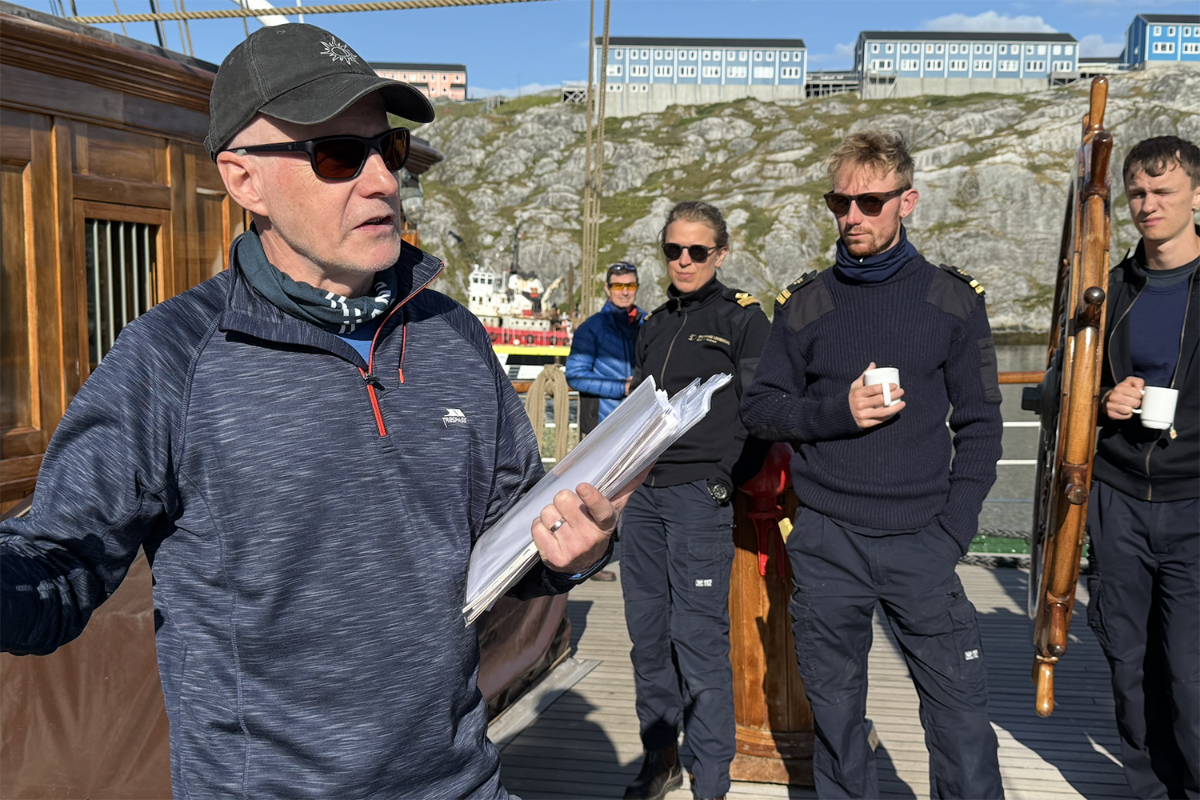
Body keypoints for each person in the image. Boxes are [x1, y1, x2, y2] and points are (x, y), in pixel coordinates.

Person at [0, 24, 641, 800]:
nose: (379, 181)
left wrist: (577, 551)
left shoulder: (452, 336)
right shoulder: (170, 359)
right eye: (337, 155)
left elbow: (521, 536)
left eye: (389, 150)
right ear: (243, 180)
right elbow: (55, 570)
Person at [740, 131, 1005, 800]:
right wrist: (837, 413)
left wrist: (953, 530)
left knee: (962, 721)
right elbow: (762, 408)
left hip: (924, 539)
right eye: (840, 201)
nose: (852, 216)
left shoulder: (953, 301)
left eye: (870, 201)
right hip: (829, 540)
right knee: (835, 721)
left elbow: (980, 424)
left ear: (906, 201)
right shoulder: (805, 304)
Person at [621, 201, 770, 800]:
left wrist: (722, 480)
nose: (683, 261)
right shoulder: (652, 325)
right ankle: (662, 759)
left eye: (697, 251)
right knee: (647, 636)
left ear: (720, 254)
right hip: (643, 496)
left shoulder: (743, 320)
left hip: (696, 496)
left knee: (699, 640)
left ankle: (712, 782)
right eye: (673, 250)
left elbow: (762, 415)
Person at [1090, 135, 1200, 800]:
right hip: (1118, 495)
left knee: (1190, 672)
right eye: (1137, 193)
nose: (1148, 205)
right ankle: (1150, 791)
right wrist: (1103, 402)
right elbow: (1052, 388)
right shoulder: (1111, 290)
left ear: (1196, 196)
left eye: (1163, 192)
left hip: (1194, 499)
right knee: (1128, 665)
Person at [565, 261, 644, 435]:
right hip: (603, 428)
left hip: (641, 424)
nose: (625, 292)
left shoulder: (650, 324)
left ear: (637, 287)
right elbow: (575, 376)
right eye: (618, 286)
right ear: (607, 289)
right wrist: (622, 387)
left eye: (630, 286)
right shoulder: (590, 328)